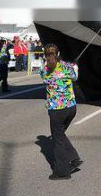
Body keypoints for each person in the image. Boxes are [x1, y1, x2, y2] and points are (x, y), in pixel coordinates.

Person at [40, 43, 83, 180]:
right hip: (71, 107)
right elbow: (75, 77)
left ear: (45, 55)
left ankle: (62, 171)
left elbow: (43, 78)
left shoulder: (46, 69)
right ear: (58, 54)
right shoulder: (66, 66)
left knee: (57, 139)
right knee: (60, 134)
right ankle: (74, 158)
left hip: (57, 110)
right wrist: (74, 66)